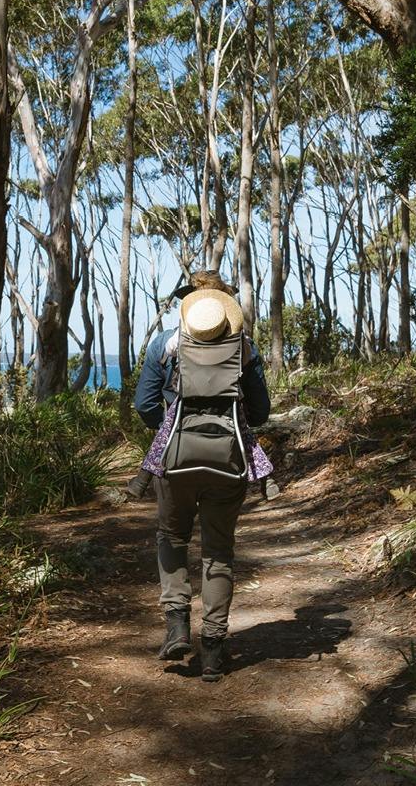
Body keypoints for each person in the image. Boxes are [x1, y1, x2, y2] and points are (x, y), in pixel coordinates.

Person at [133, 269, 273, 682]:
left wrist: (173, 433)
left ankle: (177, 622)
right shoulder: (244, 347)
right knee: (218, 552)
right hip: (228, 462)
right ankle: (213, 650)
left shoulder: (165, 342)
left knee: (171, 537)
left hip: (176, 462)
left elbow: (144, 405)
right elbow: (261, 412)